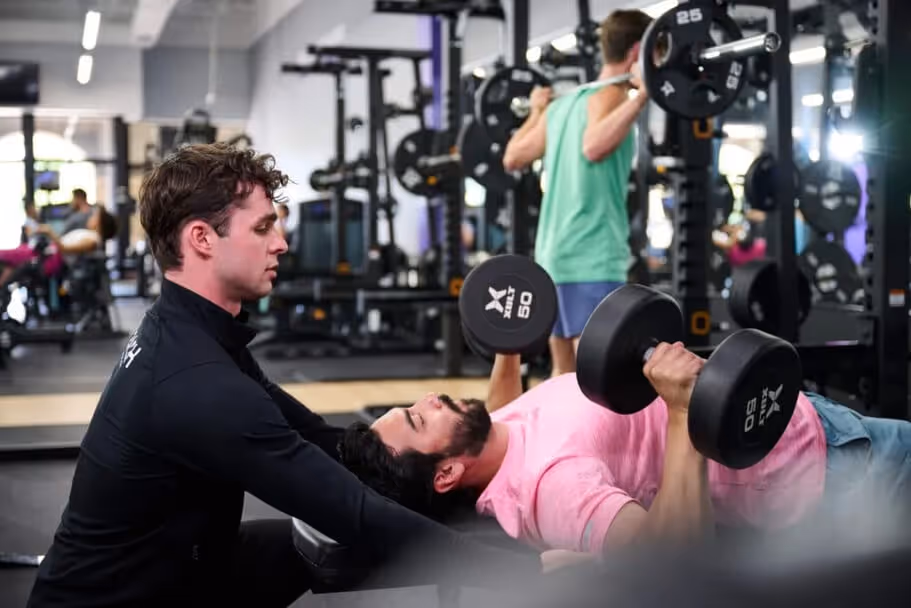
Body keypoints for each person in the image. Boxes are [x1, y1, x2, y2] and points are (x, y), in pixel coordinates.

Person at [27, 144, 543, 608]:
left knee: (316, 544)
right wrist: (528, 571)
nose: (281, 244)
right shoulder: (198, 381)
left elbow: (315, 437)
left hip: (185, 556)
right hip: (124, 597)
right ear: (201, 238)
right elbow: (352, 511)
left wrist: (463, 482)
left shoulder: (188, 330)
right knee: (363, 535)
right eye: (262, 228)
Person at [340, 350, 911, 557]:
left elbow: (507, 410)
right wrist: (682, 410)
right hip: (828, 469)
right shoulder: (551, 488)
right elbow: (670, 557)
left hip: (795, 417)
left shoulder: (494, 438)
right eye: (419, 419)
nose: (430, 399)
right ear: (445, 473)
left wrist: (508, 349)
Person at [503, 10, 653, 376]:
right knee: (596, 374)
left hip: (554, 256)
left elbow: (512, 156)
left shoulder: (562, 105)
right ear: (638, 52)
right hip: (592, 254)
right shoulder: (614, 96)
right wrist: (641, 97)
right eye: (658, 53)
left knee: (564, 374)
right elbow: (593, 146)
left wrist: (535, 113)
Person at [0, 204, 116, 286]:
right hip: (49, 256)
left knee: (15, 256)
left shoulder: (92, 240)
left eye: (95, 217)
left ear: (100, 223)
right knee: (12, 264)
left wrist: (49, 231)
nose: (91, 217)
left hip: (52, 261)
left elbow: (64, 249)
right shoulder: (90, 236)